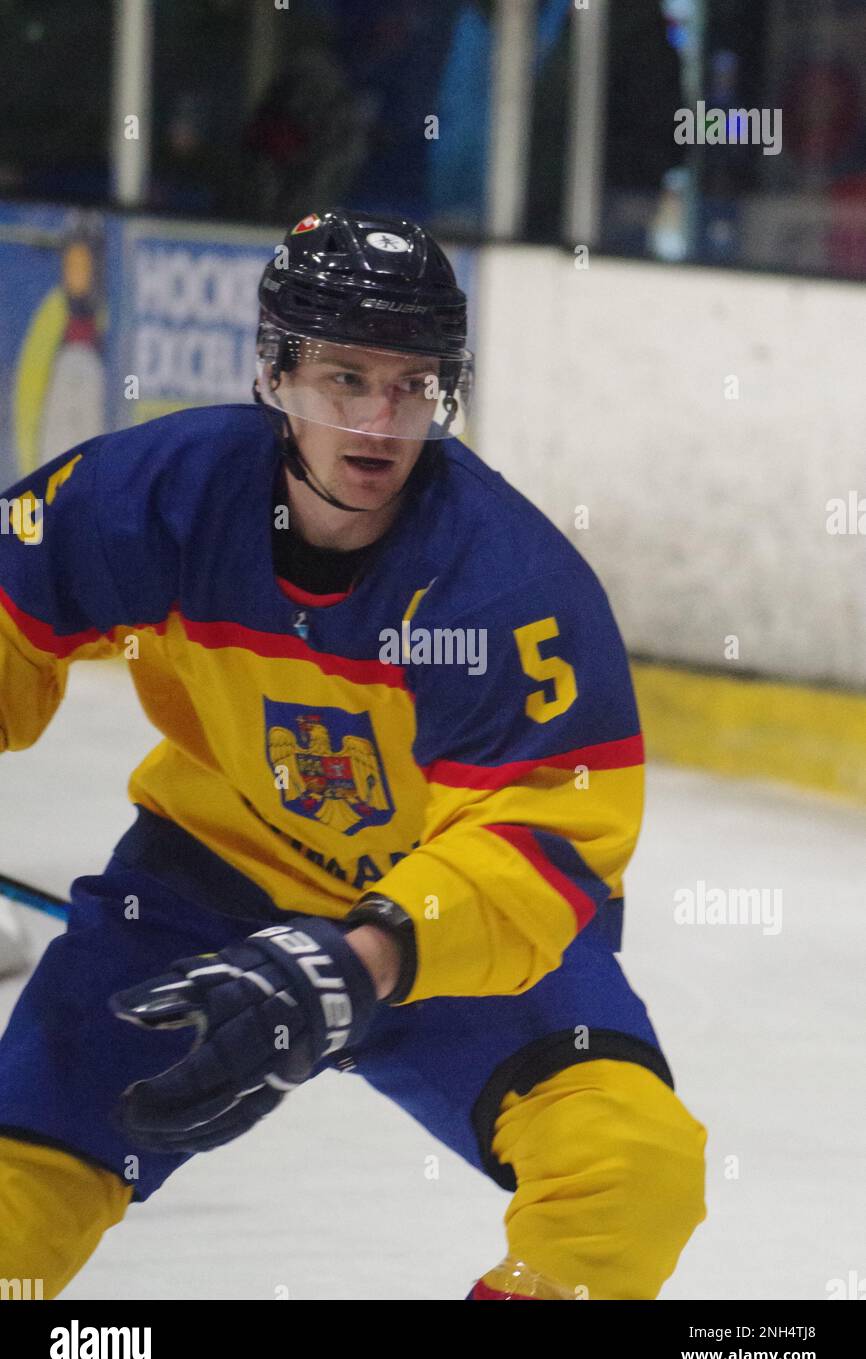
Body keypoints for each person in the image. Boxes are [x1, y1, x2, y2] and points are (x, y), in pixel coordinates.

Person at [0, 209, 706, 1300]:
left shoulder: (506, 585)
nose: (380, 422)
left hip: (448, 939)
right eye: (343, 378)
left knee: (631, 1173)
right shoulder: (155, 497)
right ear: (273, 374)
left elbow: (546, 845)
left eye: (412, 384)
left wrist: (361, 959)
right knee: (14, 1192)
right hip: (206, 889)